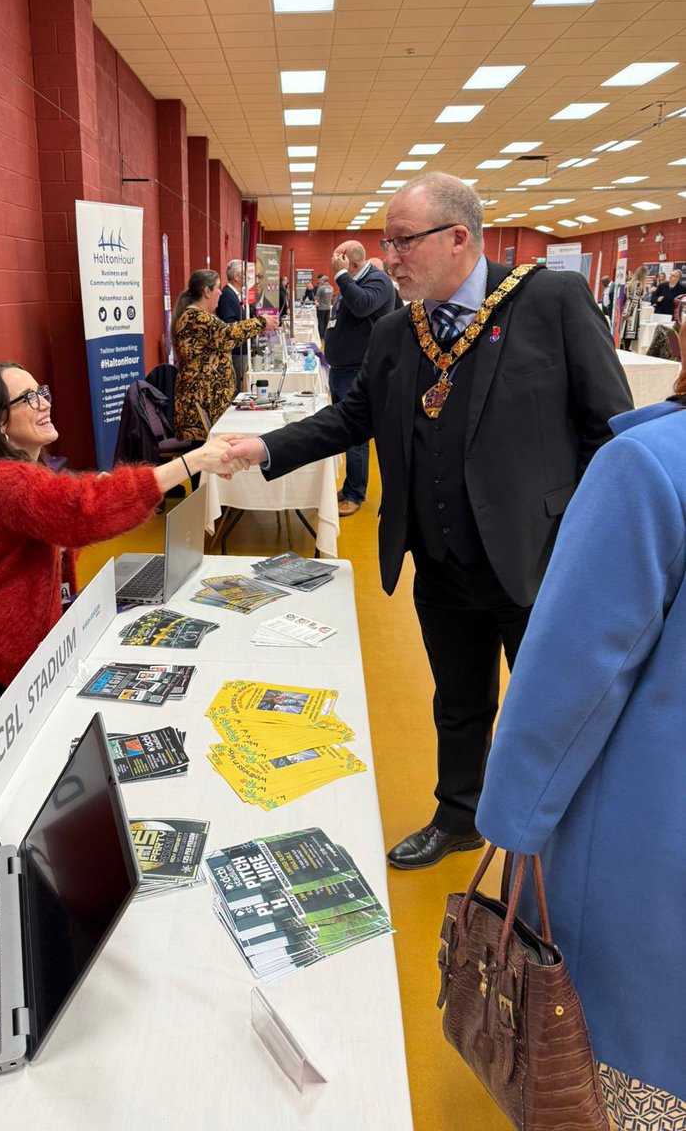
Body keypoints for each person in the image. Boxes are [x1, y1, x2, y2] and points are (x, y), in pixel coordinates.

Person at [219, 173, 632, 870]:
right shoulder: (396, 331)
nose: (390, 257)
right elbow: (352, 419)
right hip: (440, 561)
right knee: (458, 700)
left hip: (540, 559)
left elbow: (609, 431)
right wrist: (262, 448)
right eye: (387, 242)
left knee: (557, 708)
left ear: (458, 237)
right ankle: (458, 817)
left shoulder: (549, 302)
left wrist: (586, 544)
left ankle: (568, 849)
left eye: (402, 241)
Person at [476, 338, 686, 1121]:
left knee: (606, 1074)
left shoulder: (650, 467)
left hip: (644, 847)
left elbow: (572, 674)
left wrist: (510, 820)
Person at [0, 362, 246, 706]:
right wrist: (192, 462)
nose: (44, 403)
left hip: (2, 636)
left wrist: (94, 499)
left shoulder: (23, 474)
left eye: (42, 392)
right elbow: (82, 513)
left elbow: (68, 516)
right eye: (28, 398)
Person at [325, 242, 399, 517]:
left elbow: (362, 306)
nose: (335, 267)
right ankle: (350, 484)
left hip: (358, 371)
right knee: (344, 432)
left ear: (352, 263)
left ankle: (355, 493)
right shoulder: (353, 281)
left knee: (356, 434)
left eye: (339, 262)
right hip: (341, 370)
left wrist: (341, 276)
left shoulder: (378, 281)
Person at [173, 268, 274, 440]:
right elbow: (227, 333)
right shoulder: (195, 317)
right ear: (207, 291)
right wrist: (261, 322)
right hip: (200, 403)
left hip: (207, 401)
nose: (221, 292)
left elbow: (226, 340)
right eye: (218, 287)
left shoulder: (199, 316)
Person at [218, 259, 249, 389]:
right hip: (236, 351)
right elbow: (229, 324)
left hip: (241, 349)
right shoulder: (227, 295)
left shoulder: (235, 295)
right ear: (236, 277)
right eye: (244, 275)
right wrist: (248, 326)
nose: (247, 278)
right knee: (237, 388)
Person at [621, 263, 649, 350]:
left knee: (624, 330)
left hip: (627, 306)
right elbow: (635, 300)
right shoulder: (639, 284)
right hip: (633, 310)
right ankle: (626, 349)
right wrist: (630, 313)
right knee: (629, 332)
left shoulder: (628, 283)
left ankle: (624, 348)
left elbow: (626, 298)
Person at [315, 274, 333, 343]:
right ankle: (325, 336)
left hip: (321, 308)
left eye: (321, 280)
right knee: (326, 322)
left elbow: (317, 297)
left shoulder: (321, 288)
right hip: (328, 307)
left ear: (323, 280)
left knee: (321, 322)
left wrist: (317, 302)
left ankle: (321, 336)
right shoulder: (331, 288)